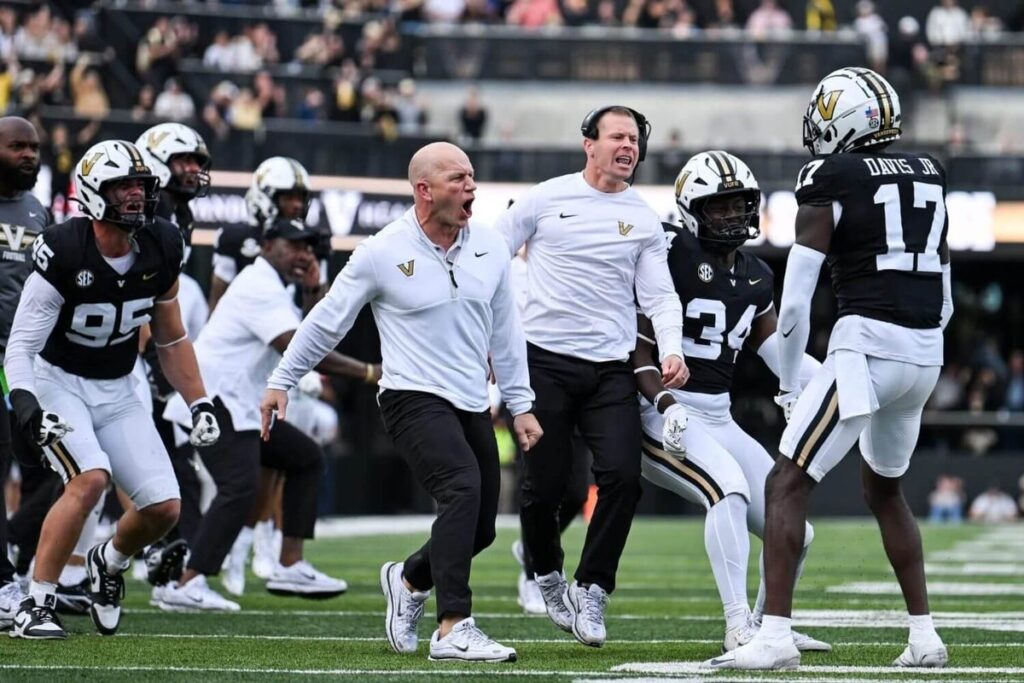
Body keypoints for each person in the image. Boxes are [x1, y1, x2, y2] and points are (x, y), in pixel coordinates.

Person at [710, 67, 952, 670]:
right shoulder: (929, 170)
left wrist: (791, 380)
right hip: (925, 353)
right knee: (884, 490)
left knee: (785, 482)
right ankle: (924, 637)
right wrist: (923, 340)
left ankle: (773, 636)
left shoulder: (829, 175)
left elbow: (794, 301)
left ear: (844, 119)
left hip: (866, 345)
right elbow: (945, 285)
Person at [261, 141, 541, 662]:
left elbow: (507, 333)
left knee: (479, 527)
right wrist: (282, 379)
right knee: (462, 488)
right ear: (424, 191)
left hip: (469, 399)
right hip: (410, 397)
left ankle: (409, 579)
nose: (471, 188)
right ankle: (453, 626)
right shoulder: (381, 250)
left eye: (472, 177)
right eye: (458, 179)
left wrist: (521, 404)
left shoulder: (491, 246)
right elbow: (327, 321)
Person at [4, 139, 220, 639]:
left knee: (164, 507)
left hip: (118, 384)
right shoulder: (63, 247)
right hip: (56, 379)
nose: (135, 197)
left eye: (141, 187)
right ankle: (36, 602)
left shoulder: (163, 243)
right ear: (94, 192)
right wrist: (25, 398)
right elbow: (21, 344)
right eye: (123, 186)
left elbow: (172, 335)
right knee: (91, 479)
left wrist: (199, 399)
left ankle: (109, 560)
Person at [495, 106, 686, 647]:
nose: (628, 146)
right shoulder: (544, 198)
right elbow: (489, 257)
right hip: (544, 363)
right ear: (589, 144)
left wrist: (670, 350)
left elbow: (659, 296)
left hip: (611, 369)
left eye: (634, 139)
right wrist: (494, 341)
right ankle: (547, 576)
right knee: (545, 487)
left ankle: (594, 588)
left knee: (623, 478)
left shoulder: (644, 217)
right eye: (618, 136)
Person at [635, 150, 829, 653]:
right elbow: (636, 341)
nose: (732, 216)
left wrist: (835, 381)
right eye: (719, 207)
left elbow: (779, 354)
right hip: (665, 411)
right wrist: (661, 401)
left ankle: (770, 629)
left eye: (740, 205)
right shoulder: (668, 248)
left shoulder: (757, 275)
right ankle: (736, 624)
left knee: (796, 530)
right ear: (690, 209)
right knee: (729, 490)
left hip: (717, 415)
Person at [158, 215, 365, 611]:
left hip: (239, 405)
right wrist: (369, 371)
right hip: (213, 397)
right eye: (294, 245)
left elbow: (307, 331)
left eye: (308, 246)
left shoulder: (275, 287)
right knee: (240, 486)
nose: (303, 253)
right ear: (268, 244)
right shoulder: (258, 284)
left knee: (305, 458)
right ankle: (188, 582)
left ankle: (290, 563)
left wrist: (312, 291)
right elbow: (297, 344)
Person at [133, 122, 213, 593]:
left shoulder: (176, 215)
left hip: (141, 348)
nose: (192, 171)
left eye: (197, 164)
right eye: (184, 160)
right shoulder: (149, 209)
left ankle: (164, 554)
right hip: (111, 346)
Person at [0, 116, 49, 628]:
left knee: (52, 465)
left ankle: (15, 553)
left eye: (33, 147)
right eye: (17, 147)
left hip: (27, 359)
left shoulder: (37, 210)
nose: (29, 155)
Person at [208, 156, 314, 312]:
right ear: (264, 196)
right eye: (289, 197)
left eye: (300, 198)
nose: (297, 205)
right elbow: (217, 303)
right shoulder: (235, 238)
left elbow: (320, 311)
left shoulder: (310, 241)